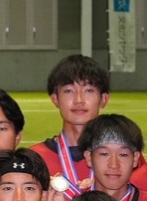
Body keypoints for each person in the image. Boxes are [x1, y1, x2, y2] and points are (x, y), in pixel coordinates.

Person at [37, 53, 110, 186]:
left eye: (88, 90)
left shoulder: (123, 158)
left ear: (104, 99)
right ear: (55, 99)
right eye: (69, 91)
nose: (79, 100)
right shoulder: (36, 159)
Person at [77, 114, 147, 201]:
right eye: (104, 154)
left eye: (123, 155)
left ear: (135, 159)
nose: (114, 165)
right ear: (89, 157)